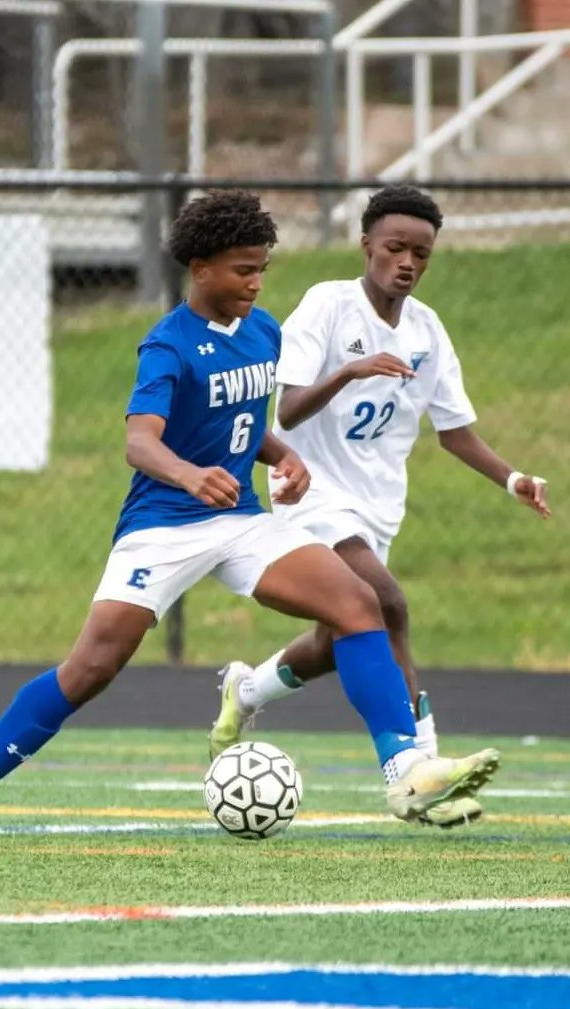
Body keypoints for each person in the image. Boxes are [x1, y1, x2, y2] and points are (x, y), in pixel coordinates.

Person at [0, 190, 500, 840]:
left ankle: (404, 769)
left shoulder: (262, 331)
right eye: (241, 269)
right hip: (163, 525)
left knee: (357, 603)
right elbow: (139, 441)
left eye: (261, 269)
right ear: (198, 267)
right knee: (91, 668)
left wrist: (282, 455)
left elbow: (246, 421)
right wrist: (190, 474)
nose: (255, 283)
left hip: (240, 521)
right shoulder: (166, 345)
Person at [208, 184, 548, 828]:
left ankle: (246, 689)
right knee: (387, 603)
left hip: (377, 507)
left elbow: (454, 431)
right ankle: (421, 773)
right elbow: (287, 408)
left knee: (341, 638)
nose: (408, 262)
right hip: (310, 494)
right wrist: (350, 372)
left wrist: (512, 479)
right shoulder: (328, 307)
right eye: (395, 247)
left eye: (422, 252)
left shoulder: (426, 330)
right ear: (367, 245)